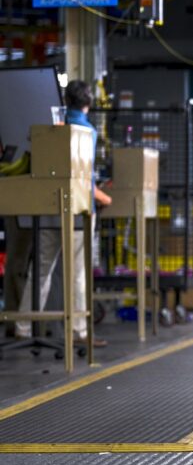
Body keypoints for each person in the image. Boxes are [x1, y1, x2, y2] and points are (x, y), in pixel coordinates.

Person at [15, 80, 112, 347]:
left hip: (48, 209)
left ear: (65, 101)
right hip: (78, 212)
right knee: (77, 273)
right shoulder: (87, 132)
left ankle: (22, 326)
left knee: (40, 270)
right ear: (88, 103)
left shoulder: (50, 129)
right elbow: (83, 179)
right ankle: (79, 331)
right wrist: (104, 196)